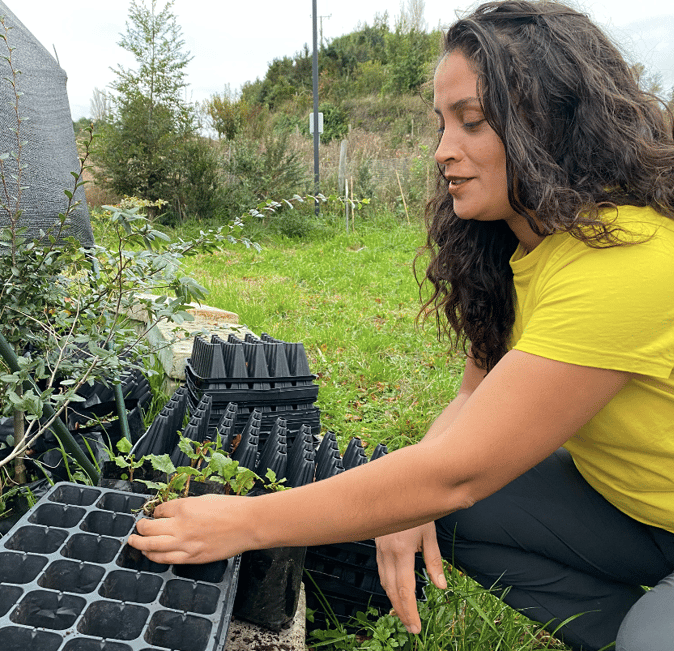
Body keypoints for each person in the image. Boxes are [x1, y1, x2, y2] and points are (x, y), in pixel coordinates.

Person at [128, 2, 674, 649]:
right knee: (445, 510)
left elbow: (457, 471)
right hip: (637, 511)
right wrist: (416, 501)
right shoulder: (518, 247)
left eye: (471, 122)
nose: (444, 151)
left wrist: (247, 521)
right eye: (442, 123)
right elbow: (473, 397)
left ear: (551, 119)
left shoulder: (625, 262)